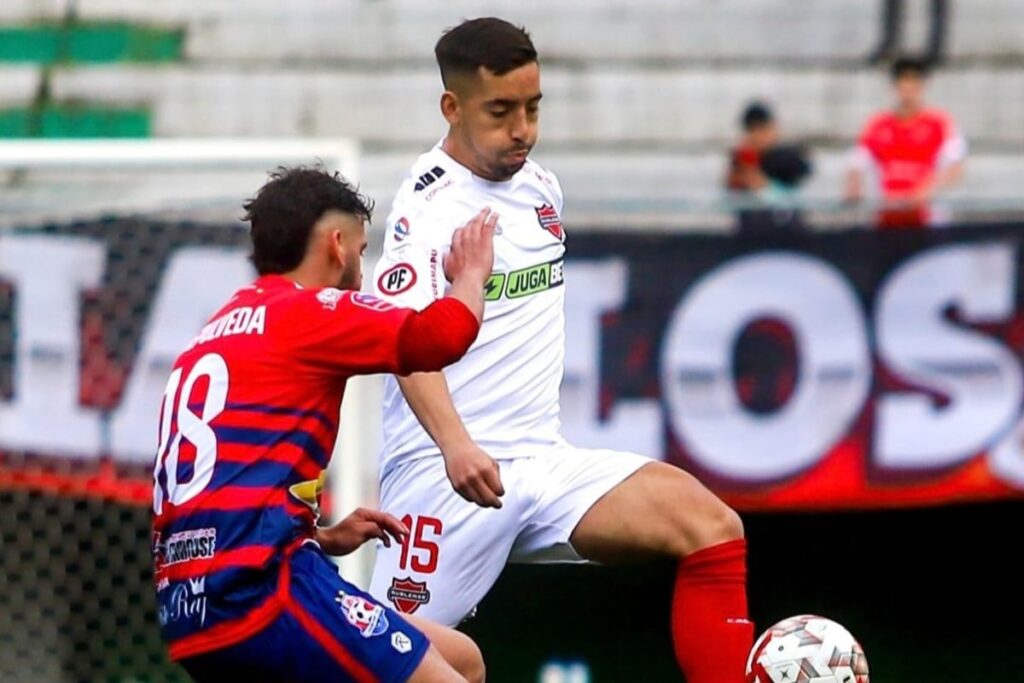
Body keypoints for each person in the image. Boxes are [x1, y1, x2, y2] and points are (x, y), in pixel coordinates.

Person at [369, 18, 753, 683]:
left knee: (713, 524)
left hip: (543, 465)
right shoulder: (427, 210)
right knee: (373, 665)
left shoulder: (542, 188)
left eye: (533, 107)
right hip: (446, 481)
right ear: (452, 108)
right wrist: (457, 443)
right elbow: (406, 346)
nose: (522, 127)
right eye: (501, 111)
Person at [151, 166, 497, 683]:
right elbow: (437, 338)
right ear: (337, 244)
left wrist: (321, 535)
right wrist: (469, 274)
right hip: (262, 593)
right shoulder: (307, 312)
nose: (363, 262)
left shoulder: (213, 334)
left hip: (191, 611)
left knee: (463, 660)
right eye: (361, 247)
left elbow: (220, 486)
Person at [845, 56, 967, 229]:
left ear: (922, 86)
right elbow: (857, 161)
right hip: (886, 215)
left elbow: (955, 167)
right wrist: (854, 184)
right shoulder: (877, 125)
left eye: (914, 83)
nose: (908, 90)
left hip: (925, 217)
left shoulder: (940, 124)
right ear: (894, 87)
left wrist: (927, 190)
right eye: (903, 83)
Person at [725, 101, 811, 232]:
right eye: (752, 130)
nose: (757, 136)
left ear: (773, 128)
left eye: (761, 129)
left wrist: (761, 183)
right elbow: (731, 188)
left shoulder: (787, 156)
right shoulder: (742, 159)